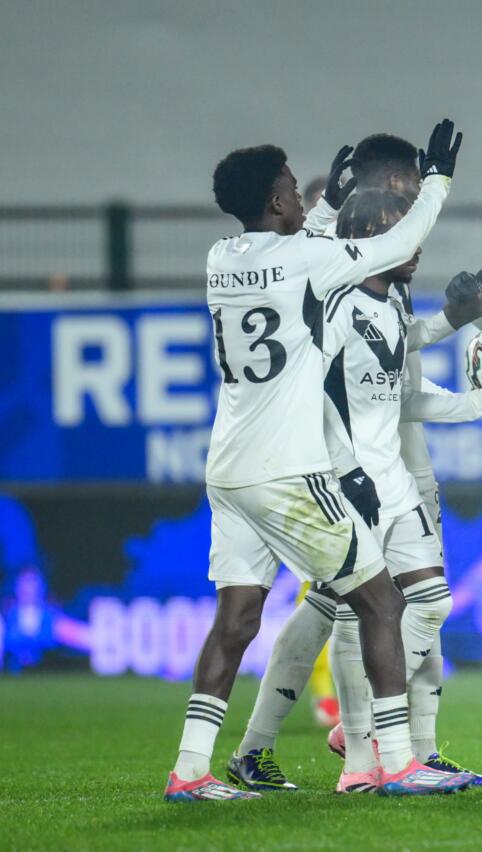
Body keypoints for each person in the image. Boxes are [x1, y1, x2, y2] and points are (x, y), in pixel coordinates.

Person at [167, 120, 466, 801]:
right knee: (383, 602)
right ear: (276, 203)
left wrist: (327, 208)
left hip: (228, 468)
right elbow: (397, 242)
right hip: (288, 469)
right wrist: (440, 183)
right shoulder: (310, 261)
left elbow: (291, 247)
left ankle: (190, 770)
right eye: (291, 191)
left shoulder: (222, 258)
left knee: (237, 618)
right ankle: (394, 760)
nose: (303, 199)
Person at [313, 188, 482, 793]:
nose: (412, 243)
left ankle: (362, 732)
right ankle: (366, 764)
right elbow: (313, 396)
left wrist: (476, 402)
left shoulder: (390, 305)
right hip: (350, 485)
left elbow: (397, 397)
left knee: (432, 602)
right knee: (364, 612)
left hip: (393, 479)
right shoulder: (334, 307)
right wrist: (344, 469)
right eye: (398, 231)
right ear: (367, 240)